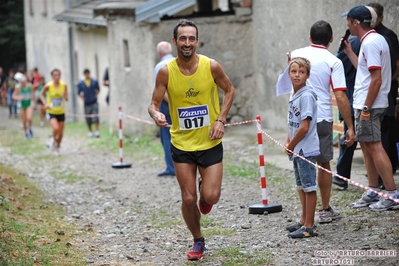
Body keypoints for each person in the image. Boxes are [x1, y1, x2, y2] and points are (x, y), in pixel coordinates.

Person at [148, 19, 235, 260]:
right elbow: (154, 103)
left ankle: (204, 190)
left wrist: (220, 119)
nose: (187, 43)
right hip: (182, 143)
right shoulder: (166, 71)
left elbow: (229, 89)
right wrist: (156, 113)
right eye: (183, 38)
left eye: (191, 38)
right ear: (175, 41)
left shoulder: (211, 66)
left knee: (211, 196)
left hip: (209, 141)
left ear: (197, 41)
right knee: (188, 199)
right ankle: (198, 240)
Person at [290, 20, 355, 223]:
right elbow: (341, 96)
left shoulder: (295, 55)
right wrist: (350, 126)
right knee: (324, 163)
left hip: (298, 116)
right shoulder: (333, 61)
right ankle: (324, 209)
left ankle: (305, 216)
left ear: (310, 38)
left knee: (301, 164)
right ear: (332, 39)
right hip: (322, 117)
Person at [342, 5, 399, 211]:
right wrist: (349, 52)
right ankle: (373, 190)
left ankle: (391, 193)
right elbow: (366, 72)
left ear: (355, 23)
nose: (346, 24)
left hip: (370, 104)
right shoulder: (373, 40)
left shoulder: (371, 43)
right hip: (367, 103)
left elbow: (376, 79)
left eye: (348, 20)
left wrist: (366, 107)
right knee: (366, 146)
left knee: (375, 146)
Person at [285, 57, 319, 238]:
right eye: (294, 71)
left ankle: (309, 227)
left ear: (308, 75)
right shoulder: (295, 93)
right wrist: (288, 140)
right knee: (300, 185)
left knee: (309, 186)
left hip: (305, 149)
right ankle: (303, 219)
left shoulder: (306, 95)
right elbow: (293, 123)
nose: (297, 75)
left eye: (301, 72)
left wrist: (290, 145)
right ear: (289, 73)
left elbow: (304, 127)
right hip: (297, 148)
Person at [368, 2, 399, 181]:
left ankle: (385, 177)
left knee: (385, 132)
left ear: (381, 18)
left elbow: (396, 65)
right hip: (375, 89)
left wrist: (387, 82)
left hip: (385, 90)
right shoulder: (368, 37)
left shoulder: (387, 36)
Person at [332, 36, 361, 190]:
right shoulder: (367, 41)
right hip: (358, 95)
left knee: (349, 138)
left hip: (352, 94)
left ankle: (341, 176)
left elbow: (338, 62)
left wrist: (341, 50)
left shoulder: (354, 42)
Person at [154, 41, 175, 177]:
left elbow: (161, 91)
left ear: (159, 53)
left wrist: (173, 104)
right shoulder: (178, 63)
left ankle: (172, 168)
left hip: (167, 105)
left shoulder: (160, 66)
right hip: (181, 105)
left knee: (167, 137)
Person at [40, 69, 68, 156]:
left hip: (61, 111)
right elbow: (41, 94)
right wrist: (45, 103)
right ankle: (52, 138)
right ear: (52, 76)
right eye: (55, 75)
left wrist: (64, 96)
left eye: (58, 75)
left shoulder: (64, 85)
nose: (57, 77)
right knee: (56, 128)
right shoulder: (48, 86)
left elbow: (67, 98)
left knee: (61, 133)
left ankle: (57, 147)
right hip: (51, 111)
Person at [77, 69, 100, 138]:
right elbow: (78, 92)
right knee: (88, 118)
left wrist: (96, 95)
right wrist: (83, 98)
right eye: (86, 74)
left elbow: (98, 89)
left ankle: (97, 131)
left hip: (94, 102)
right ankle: (90, 131)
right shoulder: (81, 83)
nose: (87, 75)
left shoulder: (94, 81)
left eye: (88, 73)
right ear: (84, 74)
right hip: (87, 103)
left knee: (95, 116)